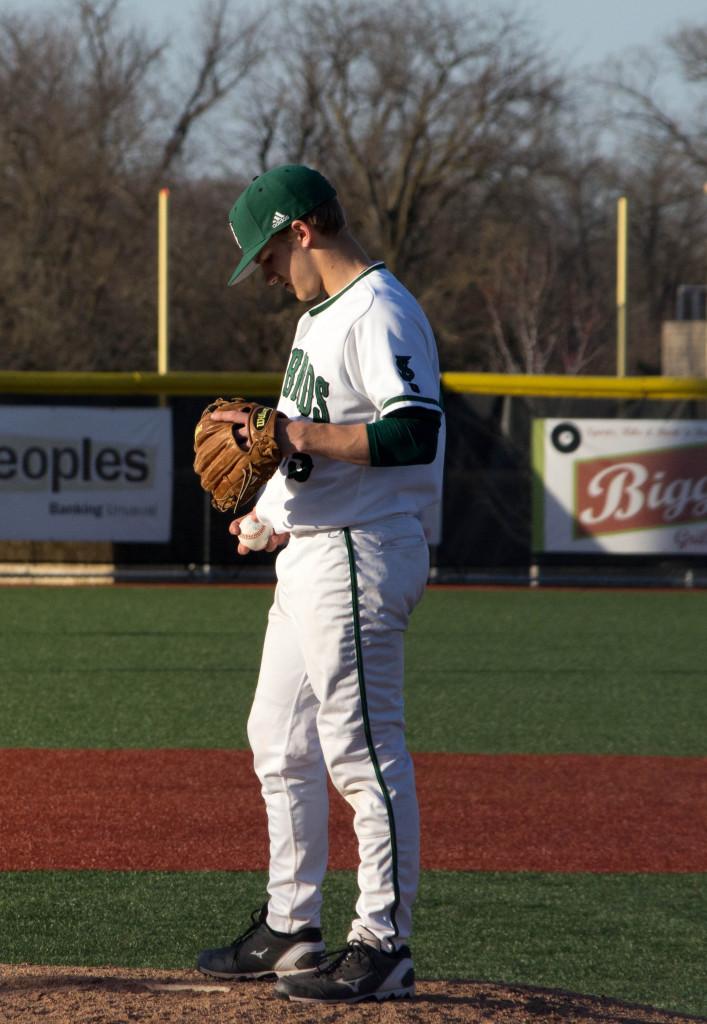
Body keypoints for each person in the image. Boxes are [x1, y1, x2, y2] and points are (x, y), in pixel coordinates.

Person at [197, 164, 444, 1004]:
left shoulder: (378, 309)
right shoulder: (317, 319)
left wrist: (297, 431)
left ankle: (383, 943)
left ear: (301, 230)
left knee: (361, 752)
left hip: (360, 550)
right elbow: (294, 445)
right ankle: (291, 924)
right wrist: (267, 512)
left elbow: (414, 433)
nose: (262, 273)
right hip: (311, 546)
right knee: (277, 737)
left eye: (265, 255)